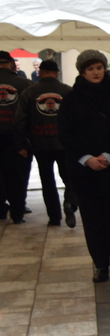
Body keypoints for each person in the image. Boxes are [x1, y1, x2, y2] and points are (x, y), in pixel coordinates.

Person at [58, 50, 110, 281]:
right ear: (82, 71)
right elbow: (65, 134)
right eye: (90, 69)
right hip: (85, 171)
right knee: (93, 221)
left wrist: (109, 155)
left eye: (99, 68)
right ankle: (101, 264)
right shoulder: (71, 100)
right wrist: (87, 158)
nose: (96, 72)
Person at [15, 60, 76, 227]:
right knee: (70, 177)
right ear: (56, 73)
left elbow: (20, 121)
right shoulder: (68, 91)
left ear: (40, 73)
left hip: (39, 143)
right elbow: (78, 119)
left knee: (47, 180)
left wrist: (21, 144)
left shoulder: (29, 92)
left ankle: (54, 218)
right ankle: (70, 203)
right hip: (64, 143)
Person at [0, 50, 34, 223]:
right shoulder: (25, 84)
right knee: (18, 176)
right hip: (17, 138)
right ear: (12, 64)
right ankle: (18, 212)